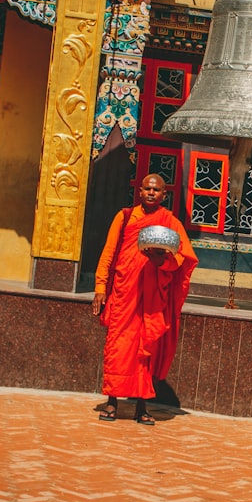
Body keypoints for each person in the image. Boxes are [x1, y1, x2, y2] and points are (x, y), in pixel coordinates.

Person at [92, 174, 197, 426]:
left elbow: (184, 258)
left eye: (157, 190)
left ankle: (142, 405)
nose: (151, 193)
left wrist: (163, 261)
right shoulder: (126, 216)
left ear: (164, 195)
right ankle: (112, 400)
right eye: (147, 189)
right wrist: (99, 286)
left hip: (152, 297)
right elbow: (109, 252)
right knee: (119, 345)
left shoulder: (169, 222)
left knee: (146, 349)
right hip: (124, 291)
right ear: (139, 191)